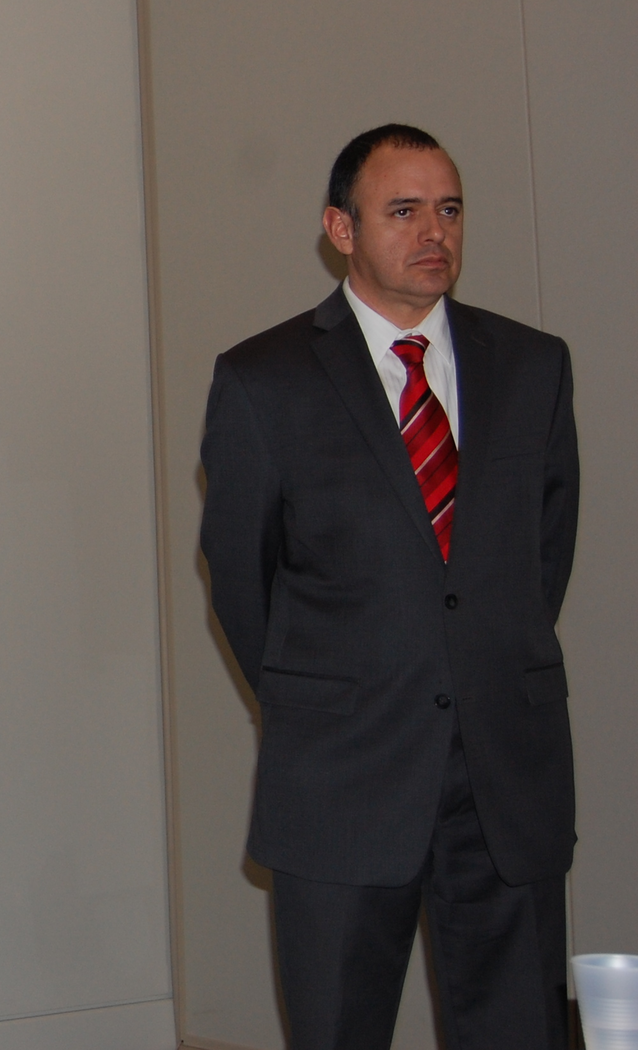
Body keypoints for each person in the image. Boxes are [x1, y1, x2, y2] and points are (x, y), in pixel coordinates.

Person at [199, 124, 580, 1050]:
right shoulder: (264, 379)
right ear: (341, 227)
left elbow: (542, 557)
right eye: (403, 211)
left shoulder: (532, 366)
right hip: (341, 778)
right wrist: (329, 694)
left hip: (505, 775)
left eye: (448, 209)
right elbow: (244, 584)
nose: (433, 231)